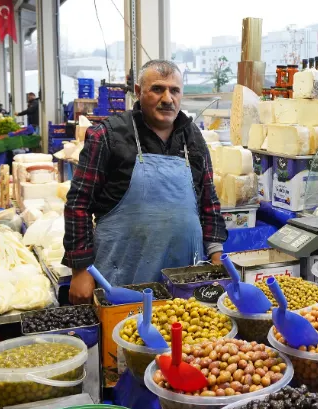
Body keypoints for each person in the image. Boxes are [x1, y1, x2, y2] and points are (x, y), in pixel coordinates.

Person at [63, 60, 227, 304]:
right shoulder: (108, 136)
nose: (167, 98)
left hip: (185, 282)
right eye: (158, 89)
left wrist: (217, 260)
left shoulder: (193, 138)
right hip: (122, 280)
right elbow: (78, 204)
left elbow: (209, 203)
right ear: (139, 92)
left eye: (175, 90)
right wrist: (80, 271)